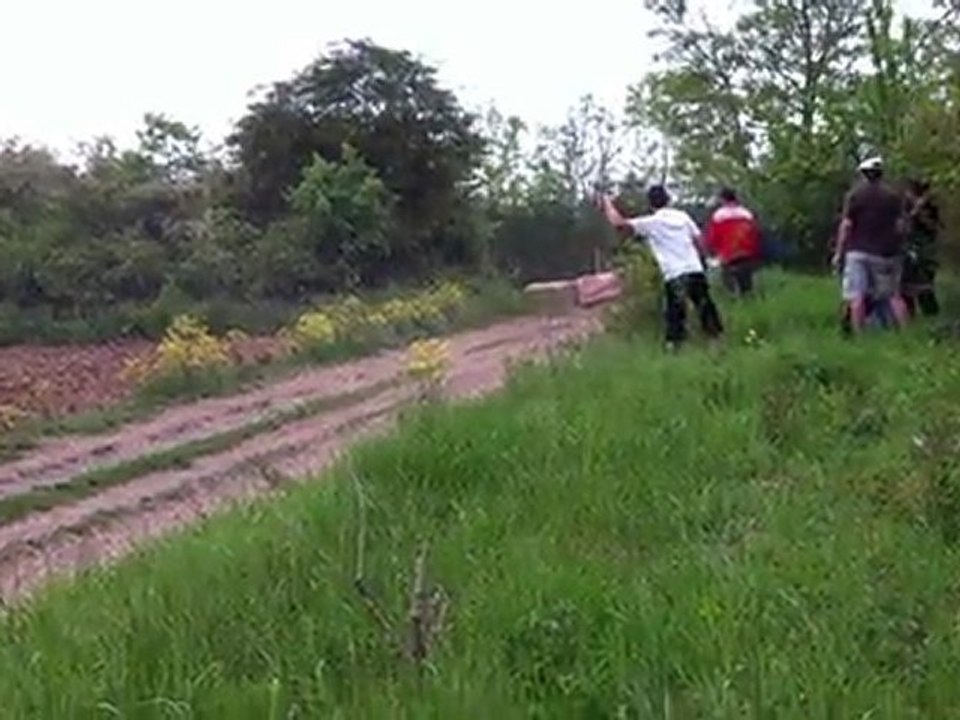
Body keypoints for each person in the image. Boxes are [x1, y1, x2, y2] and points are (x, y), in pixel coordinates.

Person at [600, 185, 724, 349]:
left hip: (674, 274)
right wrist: (706, 259)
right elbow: (699, 239)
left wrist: (607, 203)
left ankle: (675, 347)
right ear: (668, 199)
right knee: (705, 306)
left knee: (675, 314)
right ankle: (715, 342)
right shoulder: (683, 217)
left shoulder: (652, 223)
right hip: (694, 268)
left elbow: (619, 224)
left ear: (650, 204)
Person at [832, 156, 909, 333]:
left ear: (864, 175)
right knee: (894, 296)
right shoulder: (893, 197)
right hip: (887, 253)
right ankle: (907, 334)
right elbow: (901, 227)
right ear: (881, 174)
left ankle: (860, 336)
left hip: (858, 252)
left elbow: (847, 225)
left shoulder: (855, 195)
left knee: (856, 296)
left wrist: (838, 253)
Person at [704, 187, 763, 297]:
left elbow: (713, 237)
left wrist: (712, 251)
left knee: (729, 283)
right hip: (747, 252)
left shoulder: (719, 215)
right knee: (747, 284)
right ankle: (749, 303)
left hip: (728, 253)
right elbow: (755, 234)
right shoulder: (746, 213)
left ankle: (735, 300)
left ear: (722, 199)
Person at [901, 178, 941, 317]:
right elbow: (903, 225)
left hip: (926, 246)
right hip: (908, 245)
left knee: (925, 283)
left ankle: (930, 313)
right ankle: (909, 315)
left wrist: (920, 212)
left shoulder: (930, 205)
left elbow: (934, 227)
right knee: (906, 285)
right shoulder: (904, 204)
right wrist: (914, 209)